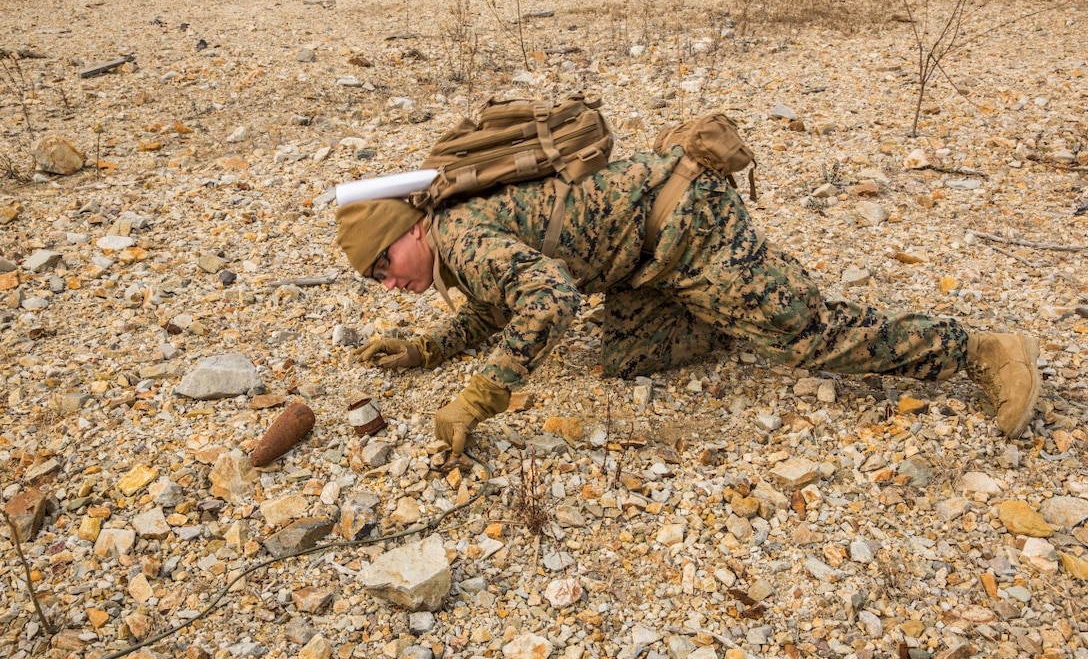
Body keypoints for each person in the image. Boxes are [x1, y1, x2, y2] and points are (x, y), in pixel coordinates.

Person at [335, 148, 1041, 462]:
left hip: (687, 221)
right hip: (645, 261)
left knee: (804, 338)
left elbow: (547, 301)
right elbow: (502, 300)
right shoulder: (457, 243)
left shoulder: (458, 230)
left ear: (413, 229)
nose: (390, 282)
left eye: (386, 264)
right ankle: (742, 303)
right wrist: (430, 348)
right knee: (626, 357)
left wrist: (478, 398)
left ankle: (979, 350)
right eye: (376, 280)